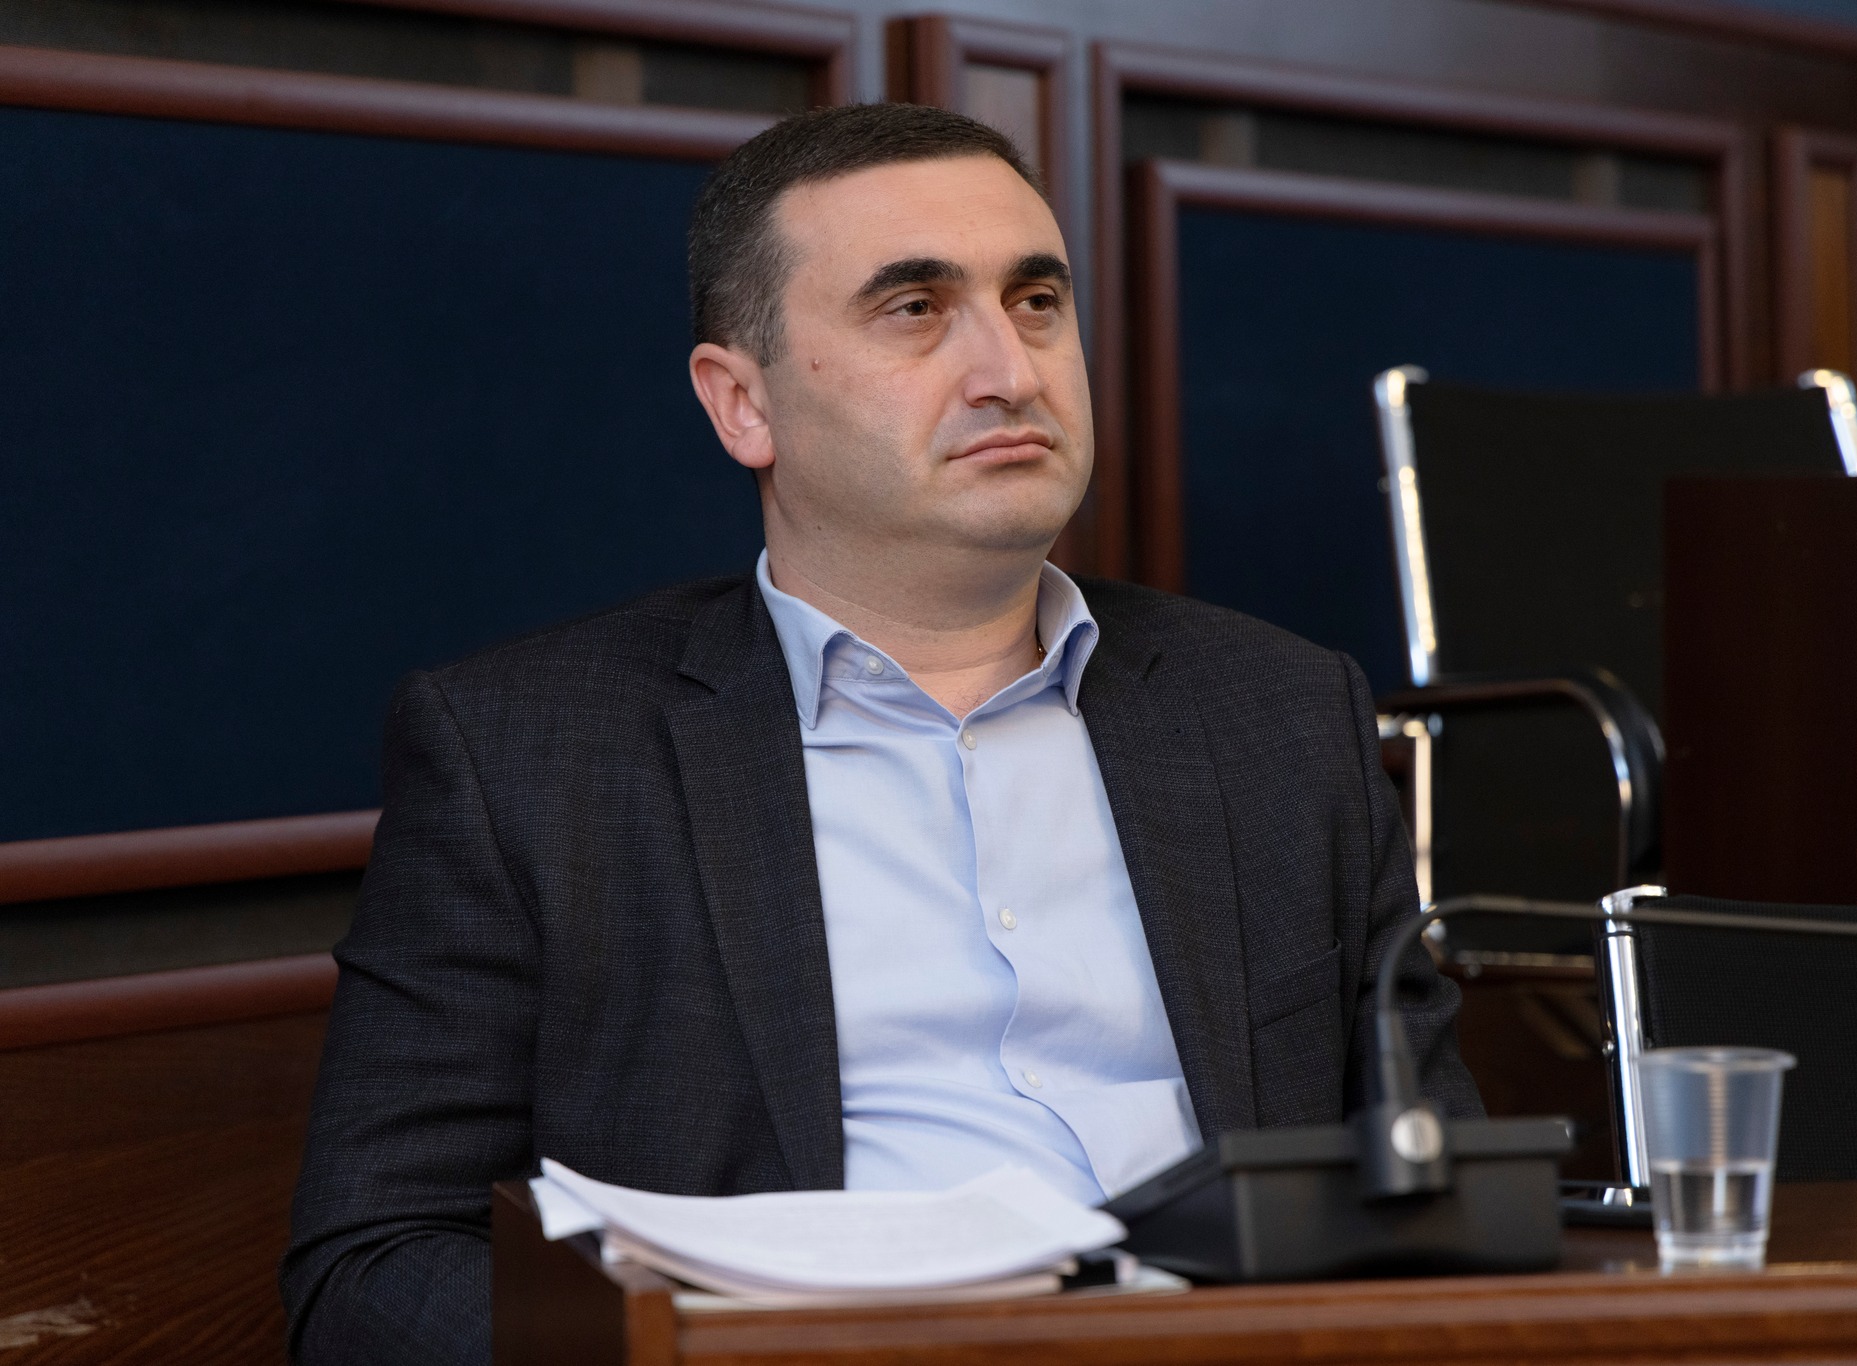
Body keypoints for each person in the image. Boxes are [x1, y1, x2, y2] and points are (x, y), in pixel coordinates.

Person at [281, 102, 1479, 1365]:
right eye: (915, 309)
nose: (1009, 370)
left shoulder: (1281, 712)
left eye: (1034, 301)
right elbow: (373, 1261)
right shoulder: (527, 754)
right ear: (741, 404)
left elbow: (1443, 1190)